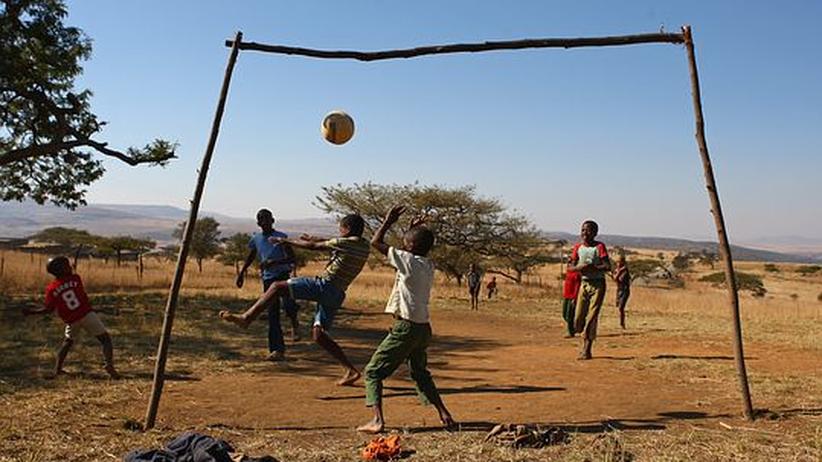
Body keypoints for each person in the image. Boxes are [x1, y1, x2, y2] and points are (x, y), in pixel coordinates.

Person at [219, 214, 370, 386]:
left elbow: (313, 246)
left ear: (347, 229)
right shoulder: (363, 245)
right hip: (337, 294)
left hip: (323, 286)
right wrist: (314, 238)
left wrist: (286, 242)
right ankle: (351, 370)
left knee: (276, 287)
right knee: (319, 336)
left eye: (341, 229)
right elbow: (330, 241)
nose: (339, 232)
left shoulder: (345, 243)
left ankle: (247, 318)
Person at [357, 205, 455, 433]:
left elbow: (376, 242)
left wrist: (388, 221)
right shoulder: (427, 264)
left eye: (406, 243)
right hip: (423, 328)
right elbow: (409, 252)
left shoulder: (408, 262)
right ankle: (444, 413)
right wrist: (411, 233)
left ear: (409, 247)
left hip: (406, 327)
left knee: (372, 372)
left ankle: (378, 421)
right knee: (420, 373)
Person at [23, 256, 120, 379]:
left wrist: (31, 312)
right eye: (67, 266)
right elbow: (77, 290)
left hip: (72, 320)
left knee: (67, 343)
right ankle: (109, 365)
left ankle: (57, 369)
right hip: (87, 315)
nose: (70, 267)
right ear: (62, 269)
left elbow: (48, 309)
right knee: (105, 340)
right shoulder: (76, 278)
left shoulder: (51, 289)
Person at [236, 209, 300, 361]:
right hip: (268, 279)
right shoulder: (256, 239)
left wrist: (274, 262)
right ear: (258, 223)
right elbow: (251, 256)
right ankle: (277, 350)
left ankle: (294, 322)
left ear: (273, 220)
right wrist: (241, 273)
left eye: (267, 219)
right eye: (261, 219)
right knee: (273, 313)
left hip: (283, 276)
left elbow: (292, 258)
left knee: (289, 305)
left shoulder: (281, 237)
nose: (264, 222)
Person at [567, 220, 611, 360]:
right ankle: (580, 330)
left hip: (598, 284)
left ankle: (587, 349)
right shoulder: (578, 247)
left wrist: (594, 268)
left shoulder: (599, 247)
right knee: (578, 318)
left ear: (595, 233)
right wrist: (579, 268)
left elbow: (607, 266)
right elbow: (570, 267)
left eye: (589, 230)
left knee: (592, 317)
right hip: (584, 284)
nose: (585, 233)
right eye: (583, 230)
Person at [561, 255, 582, 338]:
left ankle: (571, 331)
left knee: (569, 314)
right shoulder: (568, 271)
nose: (569, 263)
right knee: (564, 314)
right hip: (566, 295)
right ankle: (574, 327)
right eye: (568, 262)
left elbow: (577, 287)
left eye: (571, 262)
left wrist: (575, 298)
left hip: (572, 296)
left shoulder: (577, 274)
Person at [613, 255, 631, 329]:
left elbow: (619, 279)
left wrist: (618, 272)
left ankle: (622, 324)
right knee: (618, 307)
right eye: (617, 262)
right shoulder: (617, 269)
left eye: (619, 262)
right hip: (619, 290)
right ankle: (621, 323)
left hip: (624, 290)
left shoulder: (625, 271)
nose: (618, 263)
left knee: (621, 307)